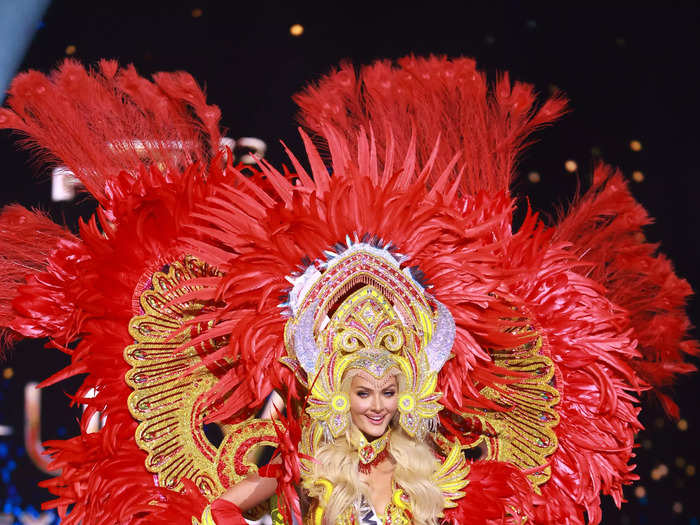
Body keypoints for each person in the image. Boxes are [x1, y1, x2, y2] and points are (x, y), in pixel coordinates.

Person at [0, 56, 695, 525]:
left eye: (388, 390)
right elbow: (209, 510)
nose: (376, 404)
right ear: (333, 387)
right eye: (364, 391)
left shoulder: (443, 476)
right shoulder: (296, 467)